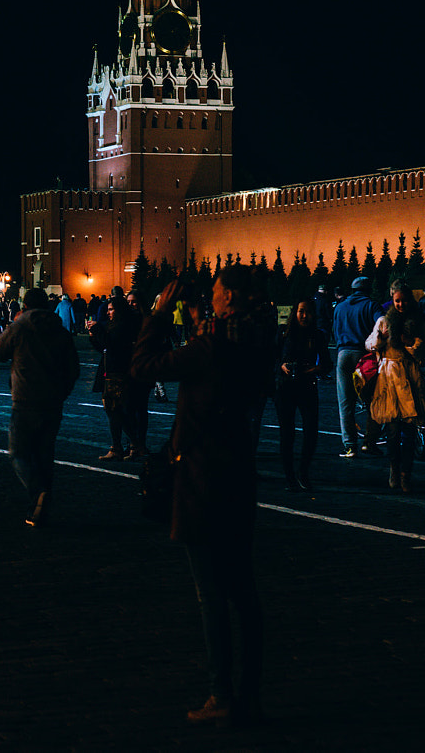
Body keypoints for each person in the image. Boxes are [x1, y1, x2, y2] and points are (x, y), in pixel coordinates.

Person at [131, 267, 267, 728]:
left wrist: (157, 314)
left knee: (211, 596)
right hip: (238, 480)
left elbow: (143, 367)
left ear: (228, 298)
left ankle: (220, 692)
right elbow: (213, 365)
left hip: (202, 485)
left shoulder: (211, 348)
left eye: (214, 294)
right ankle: (250, 693)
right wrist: (195, 324)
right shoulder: (253, 342)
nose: (209, 299)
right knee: (244, 593)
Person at [0, 288, 78, 527]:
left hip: (25, 400)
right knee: (45, 455)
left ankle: (37, 492)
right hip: (53, 403)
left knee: (19, 453)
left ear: (25, 305)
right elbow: (74, 368)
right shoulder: (60, 330)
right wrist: (62, 392)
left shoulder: (20, 327)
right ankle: (40, 510)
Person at [364, 294, 425, 492]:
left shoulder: (417, 321)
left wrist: (411, 343)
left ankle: (406, 474)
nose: (401, 304)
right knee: (392, 431)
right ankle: (394, 469)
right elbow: (369, 344)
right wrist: (381, 338)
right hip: (388, 381)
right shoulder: (384, 321)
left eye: (404, 300)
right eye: (397, 301)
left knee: (410, 431)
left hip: (410, 378)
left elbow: (424, 351)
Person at [275, 299, 330, 491]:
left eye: (308, 312)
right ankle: (290, 476)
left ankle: (303, 472)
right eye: (301, 311)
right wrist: (282, 366)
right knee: (287, 434)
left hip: (307, 386)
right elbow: (272, 358)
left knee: (311, 433)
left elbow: (327, 363)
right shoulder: (284, 333)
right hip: (285, 388)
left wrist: (314, 369)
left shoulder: (318, 336)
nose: (304, 316)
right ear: (294, 313)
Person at [89, 295, 146, 461]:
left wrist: (98, 330)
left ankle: (129, 444)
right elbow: (104, 347)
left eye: (111, 309)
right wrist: (94, 336)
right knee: (114, 409)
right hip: (111, 370)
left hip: (118, 372)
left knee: (115, 409)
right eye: (107, 310)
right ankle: (126, 445)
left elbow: (112, 345)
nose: (108, 313)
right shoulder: (115, 325)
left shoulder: (123, 326)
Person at [331, 277, 382, 457]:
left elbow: (334, 332)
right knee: (372, 401)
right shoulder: (372, 305)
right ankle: (369, 441)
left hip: (343, 355)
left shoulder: (340, 307)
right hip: (364, 356)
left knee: (345, 403)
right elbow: (381, 325)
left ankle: (349, 445)